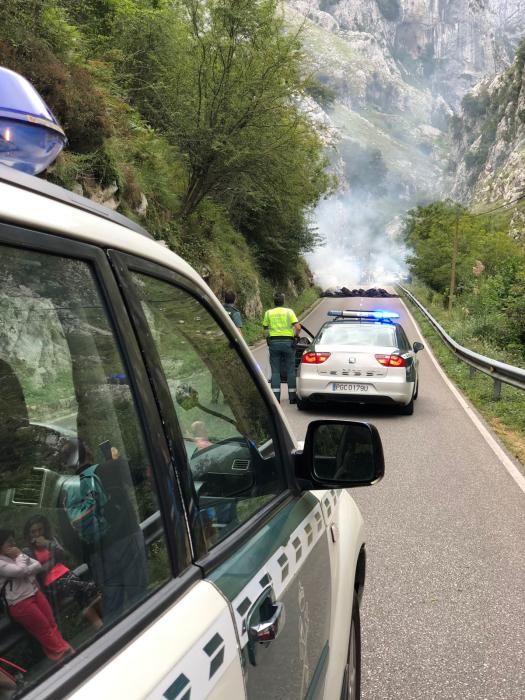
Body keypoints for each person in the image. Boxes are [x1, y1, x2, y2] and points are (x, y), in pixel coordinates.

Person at [62, 440, 147, 625]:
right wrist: (117, 460)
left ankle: (118, 643)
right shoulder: (109, 469)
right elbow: (141, 476)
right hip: (127, 539)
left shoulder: (68, 489)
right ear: (89, 452)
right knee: (138, 596)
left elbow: (68, 535)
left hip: (97, 553)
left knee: (112, 605)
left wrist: (90, 557)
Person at [0, 529, 72, 662]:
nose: (13, 544)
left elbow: (37, 565)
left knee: (51, 623)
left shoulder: (16, 556)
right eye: (9, 542)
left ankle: (63, 650)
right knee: (44, 630)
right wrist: (20, 557)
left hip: (34, 592)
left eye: (13, 540)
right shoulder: (3, 562)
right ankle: (63, 654)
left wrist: (22, 564)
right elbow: (20, 571)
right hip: (20, 602)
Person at [23, 515, 102, 630]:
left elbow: (64, 556)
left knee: (81, 595)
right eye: (33, 531)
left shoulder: (51, 541)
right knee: (86, 588)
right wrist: (53, 561)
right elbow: (38, 570)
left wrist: (47, 544)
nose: (37, 534)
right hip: (51, 584)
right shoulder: (27, 551)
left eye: (40, 529)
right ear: (29, 534)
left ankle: (100, 624)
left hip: (66, 575)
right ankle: (99, 620)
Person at [263, 292, 301, 404]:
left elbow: (264, 328)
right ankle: (292, 398)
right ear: (283, 301)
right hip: (288, 343)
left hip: (274, 343)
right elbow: (298, 327)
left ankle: (276, 398)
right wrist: (295, 336)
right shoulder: (289, 312)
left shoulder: (268, 313)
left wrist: (268, 337)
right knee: (290, 370)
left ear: (274, 302)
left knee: (275, 371)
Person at [212, 291, 243, 403]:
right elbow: (238, 331)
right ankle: (227, 398)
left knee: (216, 370)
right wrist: (241, 346)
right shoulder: (235, 313)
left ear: (224, 299)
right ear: (234, 300)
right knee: (229, 371)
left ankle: (214, 398)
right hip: (229, 346)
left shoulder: (217, 309)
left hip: (217, 344)